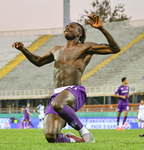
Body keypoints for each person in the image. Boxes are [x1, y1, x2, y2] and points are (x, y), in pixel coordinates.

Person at [12, 14, 121, 143]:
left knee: (58, 103)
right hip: (57, 95)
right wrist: (24, 49)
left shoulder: (85, 47)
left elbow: (115, 48)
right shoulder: (56, 50)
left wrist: (101, 28)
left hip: (75, 91)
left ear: (79, 33)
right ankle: (77, 140)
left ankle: (84, 132)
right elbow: (38, 61)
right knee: (51, 136)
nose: (67, 27)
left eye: (72, 26)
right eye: (66, 26)